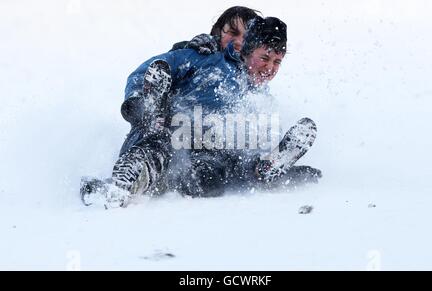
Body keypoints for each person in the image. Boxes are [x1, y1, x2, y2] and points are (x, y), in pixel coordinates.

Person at [81, 16, 321, 208]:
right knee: (162, 141)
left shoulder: (261, 99)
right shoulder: (203, 60)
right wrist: (139, 103)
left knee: (214, 175)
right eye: (265, 58)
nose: (269, 68)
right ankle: (127, 180)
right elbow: (149, 70)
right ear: (247, 51)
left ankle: (265, 168)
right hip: (162, 129)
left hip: (203, 155)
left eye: (277, 62)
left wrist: (268, 167)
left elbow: (246, 143)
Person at [172, 6, 261, 53]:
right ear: (218, 31)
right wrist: (188, 51)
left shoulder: (252, 74)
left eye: (247, 37)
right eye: (233, 32)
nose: (239, 42)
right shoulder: (198, 50)